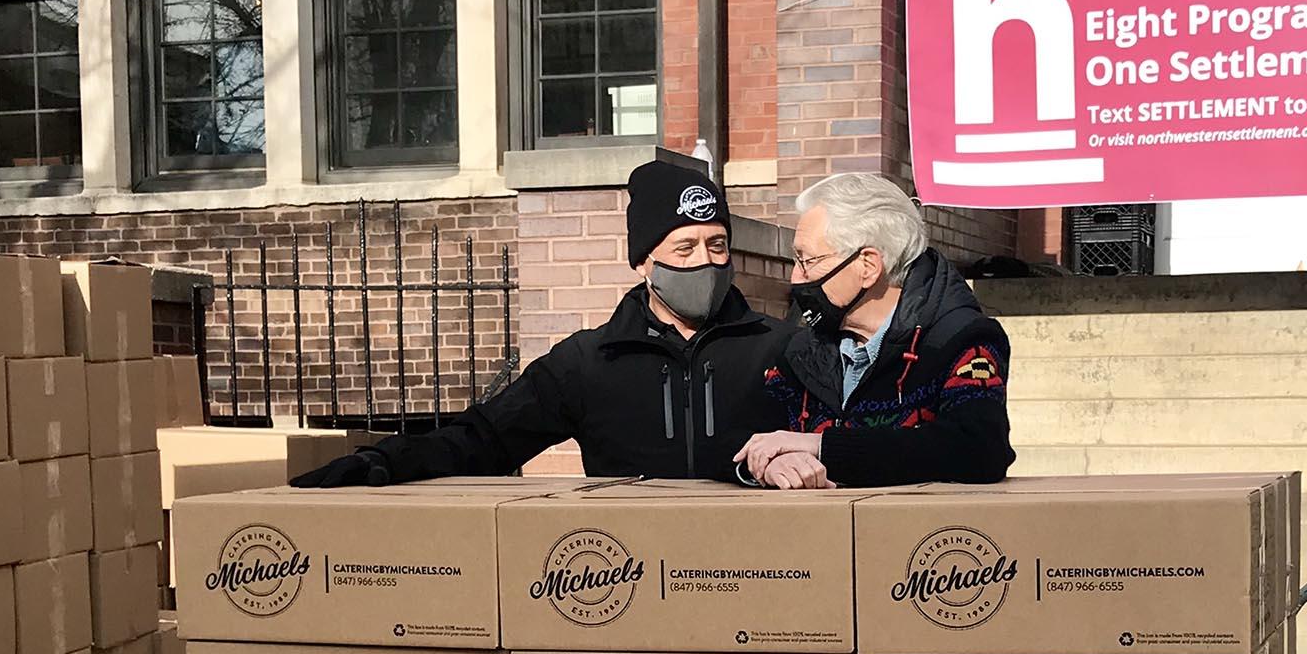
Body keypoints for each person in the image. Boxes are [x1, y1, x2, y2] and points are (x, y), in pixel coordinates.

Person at [292, 162, 786, 487]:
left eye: (716, 245)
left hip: (755, 574)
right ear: (643, 261)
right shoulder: (590, 363)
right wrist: (382, 462)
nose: (705, 261)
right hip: (631, 578)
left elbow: (849, 443)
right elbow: (486, 438)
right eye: (685, 248)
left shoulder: (783, 348)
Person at [735, 173, 1015, 490]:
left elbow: (979, 449)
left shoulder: (961, 338)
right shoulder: (800, 347)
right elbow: (739, 437)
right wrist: (769, 463)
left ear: (867, 265)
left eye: (807, 260)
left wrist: (822, 447)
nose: (796, 278)